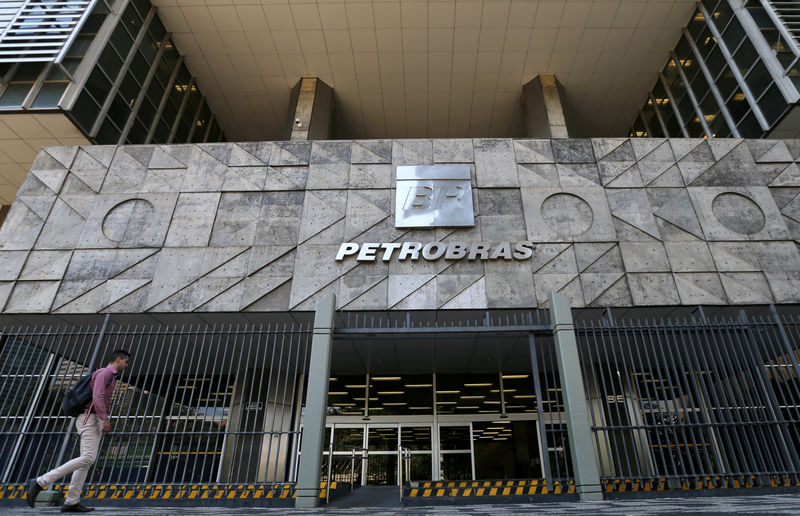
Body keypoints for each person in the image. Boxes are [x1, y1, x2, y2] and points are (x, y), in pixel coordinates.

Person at [26, 349, 131, 512]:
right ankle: (40, 481)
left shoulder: (108, 375)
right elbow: (97, 396)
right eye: (126, 361)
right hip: (90, 417)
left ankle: (71, 501)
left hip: (91, 417)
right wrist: (105, 419)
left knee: (86, 462)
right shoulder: (104, 373)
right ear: (118, 360)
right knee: (88, 458)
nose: (127, 365)